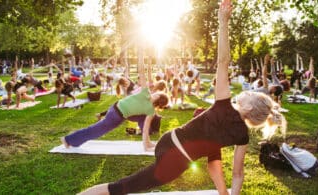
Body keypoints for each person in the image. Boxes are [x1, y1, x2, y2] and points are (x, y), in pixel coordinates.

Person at [78, 1, 286, 194]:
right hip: (176, 160)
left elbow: (223, 62)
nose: (248, 92)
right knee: (122, 187)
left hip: (171, 147)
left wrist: (223, 22)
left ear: (250, 109)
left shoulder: (226, 108)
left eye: (251, 95)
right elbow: (236, 173)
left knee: (125, 187)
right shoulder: (241, 135)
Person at [61, 60, 169, 152]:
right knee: (95, 131)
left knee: (97, 131)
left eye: (158, 94)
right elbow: (141, 71)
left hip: (117, 112)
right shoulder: (146, 93)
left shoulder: (149, 110)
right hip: (116, 114)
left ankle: (147, 143)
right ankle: (68, 140)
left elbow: (145, 129)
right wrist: (141, 51)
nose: (155, 93)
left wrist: (147, 145)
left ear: (158, 100)